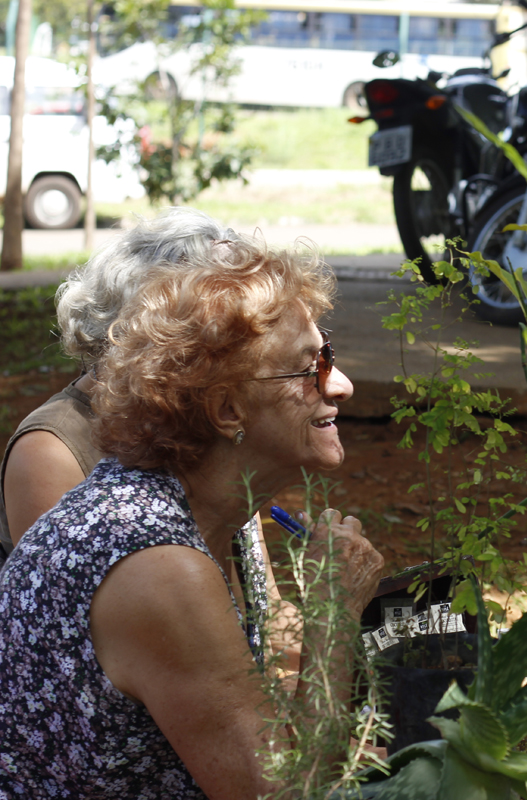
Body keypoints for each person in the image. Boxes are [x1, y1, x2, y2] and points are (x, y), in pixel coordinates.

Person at [0, 233, 384, 797]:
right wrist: (334, 612)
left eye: (328, 354)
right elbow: (283, 793)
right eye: (310, 368)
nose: (342, 385)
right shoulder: (154, 562)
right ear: (227, 410)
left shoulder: (195, 511)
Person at [0, 209, 306, 668]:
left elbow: (266, 613)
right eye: (218, 319)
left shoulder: (209, 427)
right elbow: (77, 641)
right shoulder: (51, 448)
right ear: (150, 322)